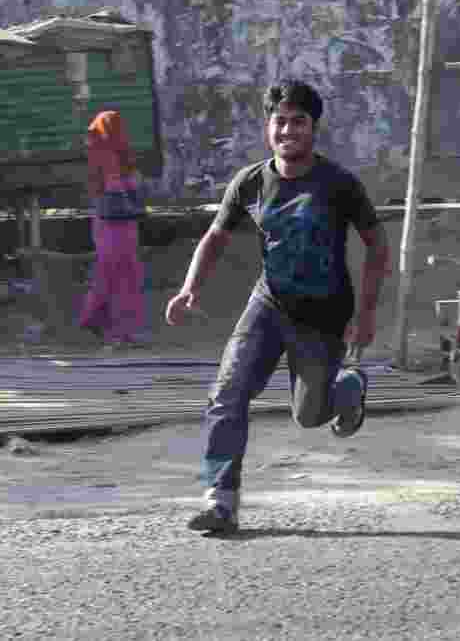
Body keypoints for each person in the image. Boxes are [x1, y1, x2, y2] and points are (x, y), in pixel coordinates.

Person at [166, 79, 391, 534]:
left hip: (323, 316)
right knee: (227, 393)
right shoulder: (250, 183)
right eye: (280, 121)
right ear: (268, 127)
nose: (288, 130)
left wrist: (366, 314)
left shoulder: (338, 184)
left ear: (313, 128)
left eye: (298, 122)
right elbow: (215, 237)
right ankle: (220, 501)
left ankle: (347, 387)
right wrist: (191, 287)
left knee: (310, 417)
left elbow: (377, 245)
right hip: (268, 305)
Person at [78, 110, 147, 348]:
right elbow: (126, 186)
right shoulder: (116, 157)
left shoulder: (97, 155)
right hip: (122, 224)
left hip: (106, 224)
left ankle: (102, 324)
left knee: (111, 275)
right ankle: (119, 332)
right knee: (125, 277)